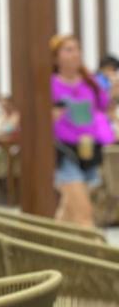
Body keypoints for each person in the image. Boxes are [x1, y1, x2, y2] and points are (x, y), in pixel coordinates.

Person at [50, 33, 115, 227]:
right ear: (56, 57)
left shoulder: (91, 83)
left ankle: (48, 243)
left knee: (67, 212)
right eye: (68, 50)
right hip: (65, 152)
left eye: (77, 49)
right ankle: (94, 246)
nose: (75, 54)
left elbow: (105, 109)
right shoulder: (50, 84)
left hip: (89, 150)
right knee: (84, 215)